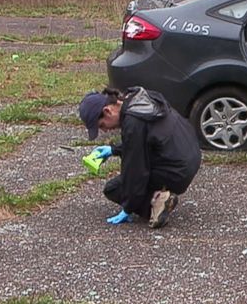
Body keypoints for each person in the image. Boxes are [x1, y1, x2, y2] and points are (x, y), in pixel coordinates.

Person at [78, 86, 202, 228]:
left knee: (114, 189)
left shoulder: (133, 123)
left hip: (177, 172)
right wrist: (113, 149)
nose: (105, 130)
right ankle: (158, 195)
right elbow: (144, 140)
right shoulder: (140, 100)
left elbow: (135, 171)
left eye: (102, 125)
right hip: (191, 155)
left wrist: (128, 207)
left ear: (107, 111)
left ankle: (158, 202)